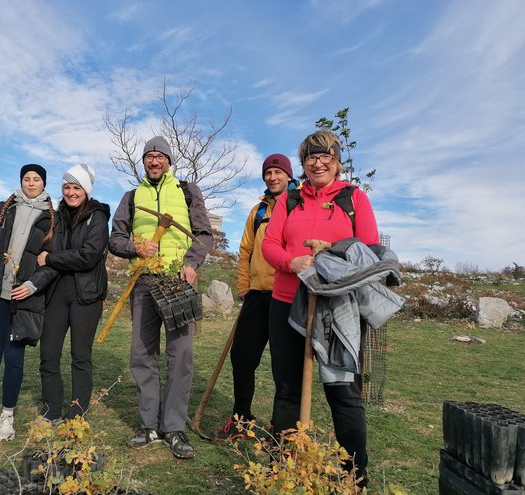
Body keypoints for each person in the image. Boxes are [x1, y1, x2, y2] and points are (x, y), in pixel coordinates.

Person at [261, 129, 379, 487]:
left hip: (336, 309)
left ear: (337, 161)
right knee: (287, 390)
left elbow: (369, 251)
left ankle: (353, 478)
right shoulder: (290, 200)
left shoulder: (353, 198)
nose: (317, 163)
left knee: (342, 393)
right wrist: (291, 262)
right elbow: (270, 244)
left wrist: (335, 251)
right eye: (310, 157)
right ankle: (281, 470)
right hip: (285, 305)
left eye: (325, 156)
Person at [109, 136, 213, 459]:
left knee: (180, 355)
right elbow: (115, 239)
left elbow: (204, 234)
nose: (154, 161)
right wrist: (135, 247)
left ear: (168, 161)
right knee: (141, 354)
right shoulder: (131, 197)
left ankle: (173, 427)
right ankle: (149, 424)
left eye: (159, 156)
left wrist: (192, 264)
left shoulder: (186, 191)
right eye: (149, 157)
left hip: (178, 280)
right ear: (144, 162)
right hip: (143, 282)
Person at [0, 164, 56, 441]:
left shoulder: (52, 217)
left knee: (15, 358)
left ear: (43, 183)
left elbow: (51, 262)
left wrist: (33, 284)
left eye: (36, 179)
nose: (31, 183)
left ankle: (7, 416)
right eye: (26, 179)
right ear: (21, 182)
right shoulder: (4, 208)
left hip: (24, 296)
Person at [213, 154, 297, 441]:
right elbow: (245, 251)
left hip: (288, 298)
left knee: (283, 366)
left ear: (289, 175)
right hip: (257, 296)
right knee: (242, 357)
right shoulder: (258, 212)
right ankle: (241, 419)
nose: (272, 177)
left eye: (278, 172)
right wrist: (243, 287)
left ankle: (282, 427)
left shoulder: (299, 205)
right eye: (268, 173)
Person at [37, 164, 110, 422]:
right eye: (66, 187)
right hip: (57, 291)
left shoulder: (97, 217)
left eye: (76, 187)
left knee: (80, 356)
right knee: (48, 354)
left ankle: (77, 414)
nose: (70, 192)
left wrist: (53, 258)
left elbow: (89, 256)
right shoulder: (57, 217)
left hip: (86, 294)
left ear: (86, 190)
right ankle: (51, 410)